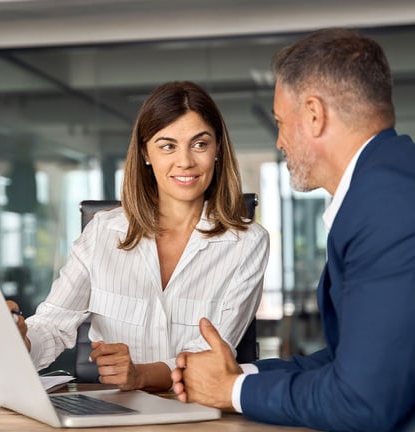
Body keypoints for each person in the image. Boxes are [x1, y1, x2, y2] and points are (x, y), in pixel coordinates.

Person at [171, 28, 415, 432]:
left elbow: (361, 400)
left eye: (282, 122)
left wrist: (230, 391)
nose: (280, 141)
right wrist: (241, 374)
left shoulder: (387, 204)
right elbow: (349, 360)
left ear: (315, 115)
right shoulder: (388, 181)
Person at [8, 81, 270, 392]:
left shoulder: (248, 242)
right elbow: (52, 327)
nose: (185, 161)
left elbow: (212, 355)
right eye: (167, 145)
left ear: (217, 150)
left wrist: (141, 374)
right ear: (146, 153)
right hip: (113, 411)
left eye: (199, 144)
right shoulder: (103, 233)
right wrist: (20, 339)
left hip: (198, 412)